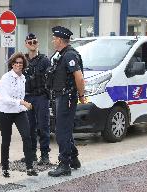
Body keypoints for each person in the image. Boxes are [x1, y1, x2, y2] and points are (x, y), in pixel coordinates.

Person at [47, 26, 85, 177]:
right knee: (64, 129)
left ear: (60, 40)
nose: (53, 41)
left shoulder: (69, 55)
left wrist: (81, 95)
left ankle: (64, 165)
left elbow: (79, 78)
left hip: (66, 98)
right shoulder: (61, 54)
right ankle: (73, 159)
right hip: (60, 97)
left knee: (62, 132)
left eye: (54, 39)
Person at [0, 52, 38, 178]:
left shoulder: (23, 78)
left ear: (23, 64)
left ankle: (30, 167)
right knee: (6, 140)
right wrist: (21, 102)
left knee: (27, 137)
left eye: (20, 63)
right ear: (12, 64)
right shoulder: (6, 78)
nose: (18, 65)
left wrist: (22, 104)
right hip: (5, 112)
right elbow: (4, 98)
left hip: (19, 112)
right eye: (16, 63)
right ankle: (5, 167)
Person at [21, 33, 51, 165]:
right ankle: (31, 154)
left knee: (43, 127)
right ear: (26, 44)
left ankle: (44, 155)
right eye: (30, 42)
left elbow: (50, 79)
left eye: (35, 42)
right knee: (29, 127)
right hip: (27, 97)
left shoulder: (44, 60)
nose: (32, 44)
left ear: (37, 43)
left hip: (41, 97)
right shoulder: (22, 60)